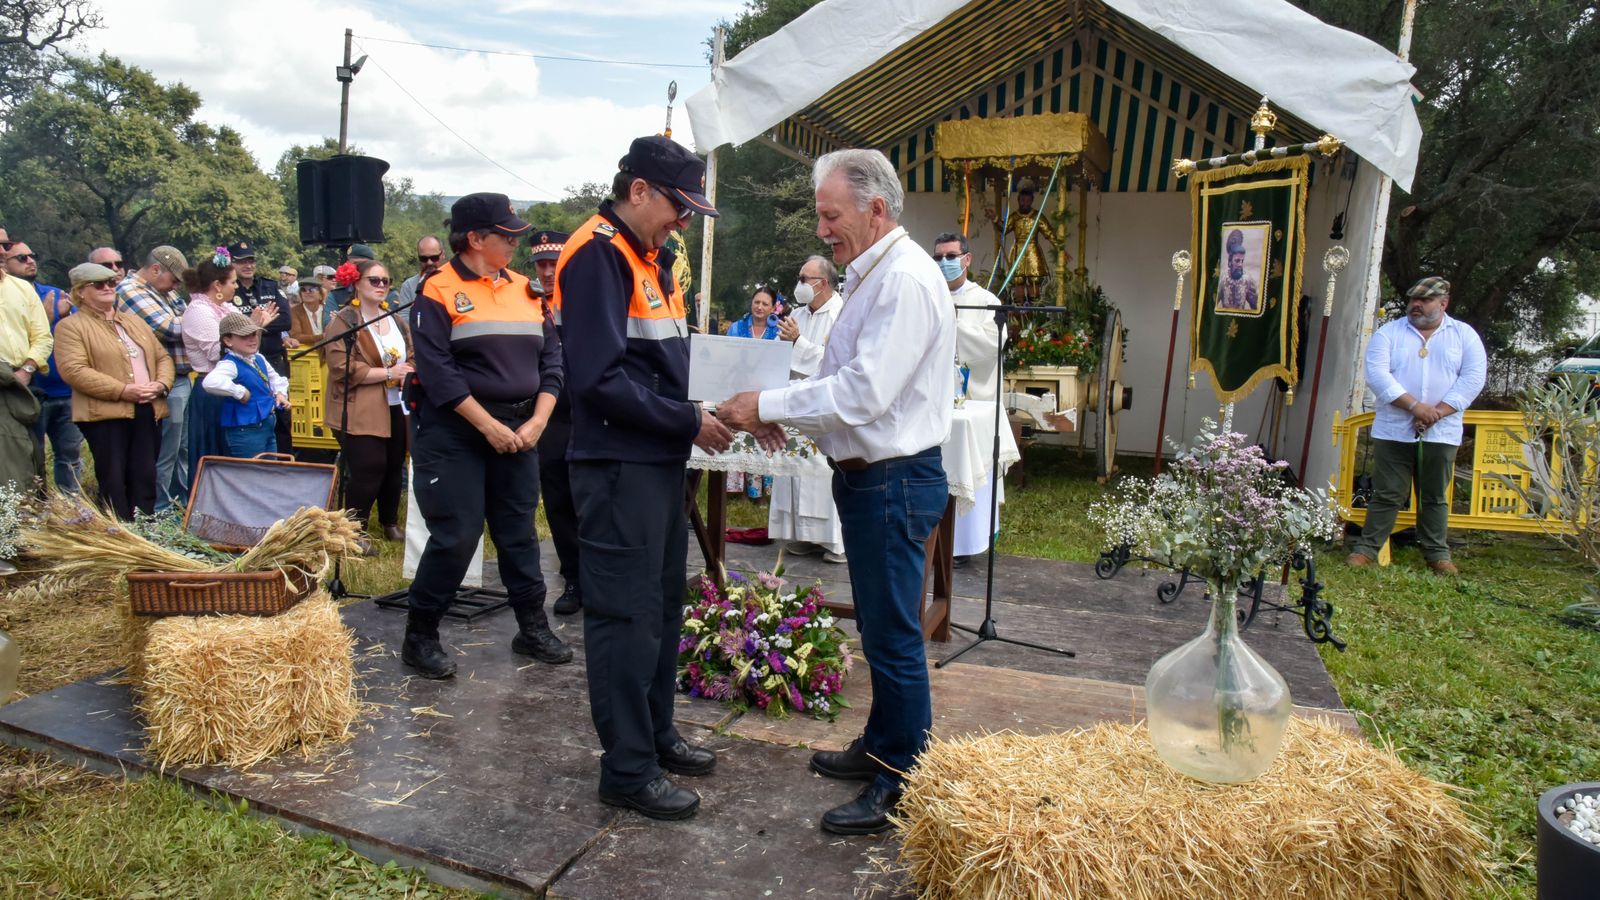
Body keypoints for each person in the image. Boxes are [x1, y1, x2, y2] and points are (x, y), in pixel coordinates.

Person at [718, 148, 954, 835]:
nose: (822, 229)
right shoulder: (875, 275)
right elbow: (846, 375)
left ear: (875, 209)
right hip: (874, 479)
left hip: (892, 479)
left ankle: (903, 778)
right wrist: (779, 411)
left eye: (830, 214)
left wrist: (766, 404)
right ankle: (882, 745)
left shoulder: (904, 280)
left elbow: (864, 391)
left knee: (893, 636)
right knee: (883, 630)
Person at [556, 135, 731, 821]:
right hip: (617, 464)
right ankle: (626, 769)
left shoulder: (646, 255)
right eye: (676, 208)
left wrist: (703, 406)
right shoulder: (598, 253)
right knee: (625, 618)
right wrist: (687, 420)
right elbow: (598, 380)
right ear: (637, 192)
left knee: (660, 610)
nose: (681, 223)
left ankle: (655, 737)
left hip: (652, 461)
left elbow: (659, 361)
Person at [400, 192, 572, 680]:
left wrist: (537, 420)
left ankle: (532, 628)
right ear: (475, 239)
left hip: (521, 427)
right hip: (455, 430)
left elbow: (552, 361)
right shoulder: (436, 290)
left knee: (519, 533)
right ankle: (421, 634)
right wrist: (489, 426)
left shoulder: (525, 289)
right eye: (507, 234)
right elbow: (438, 373)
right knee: (457, 535)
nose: (516, 241)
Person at [1346, 276, 1486, 575]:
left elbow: (1473, 379)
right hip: (1395, 427)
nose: (1416, 305)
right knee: (1387, 493)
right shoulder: (1388, 334)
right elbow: (1378, 376)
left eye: (1424, 300)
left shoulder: (1464, 335)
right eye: (1413, 300)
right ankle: (1367, 549)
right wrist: (1415, 406)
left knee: (1434, 494)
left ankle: (1437, 553)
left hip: (1442, 430)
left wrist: (1438, 411)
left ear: (1443, 303)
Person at [53, 262, 174, 519]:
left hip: (147, 408)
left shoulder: (133, 321)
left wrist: (161, 384)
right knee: (114, 479)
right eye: (99, 284)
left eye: (111, 283)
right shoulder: (71, 326)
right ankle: (119, 534)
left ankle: (147, 532)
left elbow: (162, 357)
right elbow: (74, 370)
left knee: (145, 475)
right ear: (80, 292)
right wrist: (122, 390)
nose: (108, 288)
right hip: (106, 415)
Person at [324, 258, 411, 544]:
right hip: (358, 406)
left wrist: (408, 369)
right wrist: (388, 372)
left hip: (396, 403)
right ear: (357, 284)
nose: (382, 286)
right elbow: (340, 367)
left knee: (394, 463)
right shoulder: (345, 321)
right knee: (369, 466)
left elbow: (411, 353)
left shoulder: (395, 319)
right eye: (375, 280)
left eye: (385, 281)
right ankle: (353, 531)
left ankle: (389, 522)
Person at [769, 255, 846, 563]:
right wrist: (785, 343)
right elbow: (779, 352)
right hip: (794, 401)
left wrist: (798, 343)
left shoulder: (842, 313)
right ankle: (800, 535)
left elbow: (835, 362)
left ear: (822, 283)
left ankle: (831, 542)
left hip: (825, 403)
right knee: (794, 470)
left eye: (804, 279)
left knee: (821, 472)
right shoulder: (797, 315)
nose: (799, 284)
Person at [935, 231, 1007, 562]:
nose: (944, 263)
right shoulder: (929, 296)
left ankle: (967, 545)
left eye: (951, 257)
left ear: (967, 259)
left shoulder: (987, 301)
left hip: (974, 403)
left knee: (971, 472)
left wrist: (952, 324)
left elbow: (990, 347)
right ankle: (932, 540)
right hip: (932, 404)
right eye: (938, 257)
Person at [526, 230, 585, 615]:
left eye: (554, 263)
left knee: (590, 503)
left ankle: (599, 578)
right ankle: (574, 580)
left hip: (588, 414)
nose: (548, 272)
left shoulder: (585, 299)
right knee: (560, 503)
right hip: (548, 419)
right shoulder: (527, 305)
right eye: (542, 265)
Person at [181, 248, 273, 486]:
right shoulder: (198, 312)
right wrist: (252, 325)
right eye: (232, 282)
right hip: (214, 389)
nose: (236, 287)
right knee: (216, 449)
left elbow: (247, 348)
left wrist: (254, 328)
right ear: (217, 285)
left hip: (236, 388)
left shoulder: (227, 308)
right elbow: (217, 352)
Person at [117, 246, 193, 512]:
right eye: (173, 280)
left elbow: (187, 319)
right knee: (166, 453)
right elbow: (172, 328)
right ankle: (160, 510)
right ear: (155, 269)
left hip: (181, 378)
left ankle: (180, 505)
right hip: (160, 382)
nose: (175, 287)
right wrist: (206, 319)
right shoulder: (129, 291)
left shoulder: (164, 292)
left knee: (182, 451)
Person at [6, 241, 84, 493]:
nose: (30, 261)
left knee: (70, 456)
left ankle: (72, 514)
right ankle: (35, 511)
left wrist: (60, 319)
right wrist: (50, 317)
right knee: (30, 456)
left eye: (32, 255)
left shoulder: (54, 293)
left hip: (61, 389)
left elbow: (56, 336)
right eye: (21, 258)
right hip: (25, 389)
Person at [0, 225, 50, 496]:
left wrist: (27, 369)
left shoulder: (21, 288)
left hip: (22, 383)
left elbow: (43, 336)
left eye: (6, 245)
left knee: (28, 462)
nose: (2, 251)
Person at [229, 242, 293, 454]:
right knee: (252, 415)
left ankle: (284, 462)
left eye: (251, 260)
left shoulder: (269, 286)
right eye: (242, 261)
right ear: (232, 263)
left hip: (273, 359)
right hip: (244, 363)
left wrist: (253, 323)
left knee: (282, 415)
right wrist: (256, 322)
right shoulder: (229, 288)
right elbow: (229, 326)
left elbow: (285, 320)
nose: (248, 265)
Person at [201, 313, 289, 458]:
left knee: (270, 472)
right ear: (228, 340)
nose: (252, 339)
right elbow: (210, 382)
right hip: (246, 430)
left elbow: (276, 379)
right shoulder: (229, 363)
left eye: (254, 334)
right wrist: (239, 392)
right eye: (244, 336)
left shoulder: (258, 358)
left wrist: (280, 394)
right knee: (250, 475)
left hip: (267, 425)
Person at [726, 286, 781, 500]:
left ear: (772, 308)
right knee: (739, 437)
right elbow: (728, 358)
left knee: (761, 437)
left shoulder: (778, 331)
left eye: (765, 303)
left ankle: (761, 491)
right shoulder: (736, 327)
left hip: (767, 393)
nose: (759, 307)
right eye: (756, 302)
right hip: (740, 391)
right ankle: (734, 489)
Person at [1214, 228, 1260, 312]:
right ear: (1230, 261)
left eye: (1242, 261)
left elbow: (1256, 307)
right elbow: (1213, 305)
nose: (1240, 264)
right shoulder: (1223, 279)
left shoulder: (1247, 279)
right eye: (1237, 261)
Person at [398, 236, 444, 308]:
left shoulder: (455, 281)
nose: (429, 262)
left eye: (434, 258)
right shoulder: (408, 286)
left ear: (443, 255)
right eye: (424, 258)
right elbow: (404, 316)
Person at [288, 276, 326, 347]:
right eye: (303, 289)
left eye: (311, 290)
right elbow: (296, 336)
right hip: (306, 354)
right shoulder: (294, 311)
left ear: (320, 294)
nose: (307, 292)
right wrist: (322, 336)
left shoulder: (328, 309)